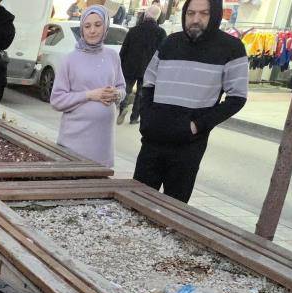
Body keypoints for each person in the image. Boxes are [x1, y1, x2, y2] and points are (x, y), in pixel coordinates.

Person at [134, 0, 247, 203]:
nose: (196, 19)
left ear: (215, 15)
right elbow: (149, 82)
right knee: (136, 203)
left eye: (204, 13)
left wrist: (197, 126)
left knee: (173, 210)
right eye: (191, 13)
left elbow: (237, 97)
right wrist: (147, 118)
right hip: (153, 140)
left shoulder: (231, 48)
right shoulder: (170, 42)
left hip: (187, 147)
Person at [50, 5, 126, 169]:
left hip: (103, 144)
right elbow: (57, 100)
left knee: (98, 182)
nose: (92, 30)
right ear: (82, 29)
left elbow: (122, 88)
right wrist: (90, 95)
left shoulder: (113, 56)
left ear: (105, 27)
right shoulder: (70, 60)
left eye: (98, 25)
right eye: (87, 26)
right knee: (74, 181)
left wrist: (117, 94)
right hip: (75, 142)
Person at [117, 4, 165, 125]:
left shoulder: (133, 30)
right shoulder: (161, 33)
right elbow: (163, 53)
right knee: (141, 94)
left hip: (130, 66)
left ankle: (123, 108)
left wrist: (119, 65)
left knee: (126, 89)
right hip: (148, 68)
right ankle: (134, 117)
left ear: (145, 15)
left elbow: (124, 50)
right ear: (157, 17)